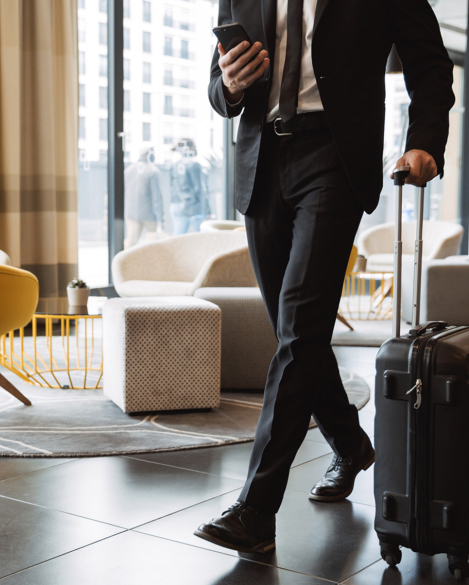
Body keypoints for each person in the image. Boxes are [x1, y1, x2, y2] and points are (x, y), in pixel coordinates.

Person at [194, 0, 455, 554]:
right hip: (262, 160)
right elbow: (218, 88)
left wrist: (425, 140)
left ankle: (256, 511)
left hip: (334, 156)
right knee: (297, 334)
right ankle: (350, 442)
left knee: (300, 330)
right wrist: (231, 86)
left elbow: (430, 64)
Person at [124, 145, 165, 247]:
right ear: (148, 154)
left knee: (131, 242)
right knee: (151, 244)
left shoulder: (129, 170)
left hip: (132, 213)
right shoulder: (152, 171)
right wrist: (160, 218)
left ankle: (125, 261)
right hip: (149, 215)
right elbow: (156, 197)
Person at [169, 139, 210, 234]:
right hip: (192, 206)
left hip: (176, 205)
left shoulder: (175, 165)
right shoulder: (194, 164)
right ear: (190, 148)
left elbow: (172, 186)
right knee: (200, 236)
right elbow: (199, 189)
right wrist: (206, 209)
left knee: (178, 238)